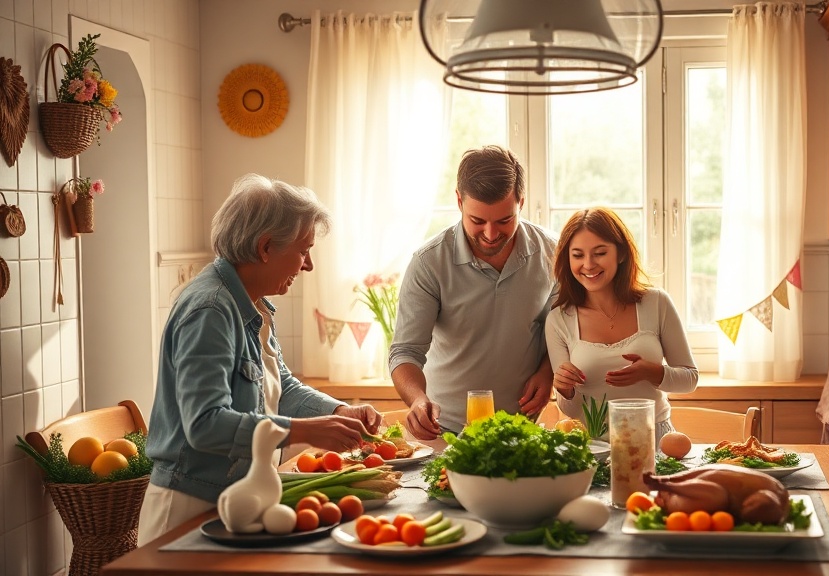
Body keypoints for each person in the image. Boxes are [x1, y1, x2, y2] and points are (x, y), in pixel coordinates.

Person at [138, 173, 382, 544]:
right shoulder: (211, 310)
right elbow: (204, 423)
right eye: (304, 250)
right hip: (189, 506)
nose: (308, 265)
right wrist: (306, 431)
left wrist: (337, 412)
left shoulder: (252, 303)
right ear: (266, 247)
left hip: (232, 499)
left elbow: (281, 385)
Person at [390, 145, 557, 439]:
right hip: (446, 432)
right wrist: (417, 399)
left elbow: (565, 331)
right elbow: (406, 351)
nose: (491, 234)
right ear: (458, 200)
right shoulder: (428, 263)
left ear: (521, 201)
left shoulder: (553, 253)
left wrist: (548, 372)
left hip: (523, 431)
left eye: (504, 220)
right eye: (477, 220)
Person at [545, 207, 699, 445]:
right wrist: (564, 389)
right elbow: (572, 410)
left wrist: (652, 372)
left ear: (621, 254)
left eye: (599, 253)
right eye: (577, 255)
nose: (588, 264)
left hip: (655, 441)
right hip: (595, 447)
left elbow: (689, 379)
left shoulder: (656, 302)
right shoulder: (559, 320)